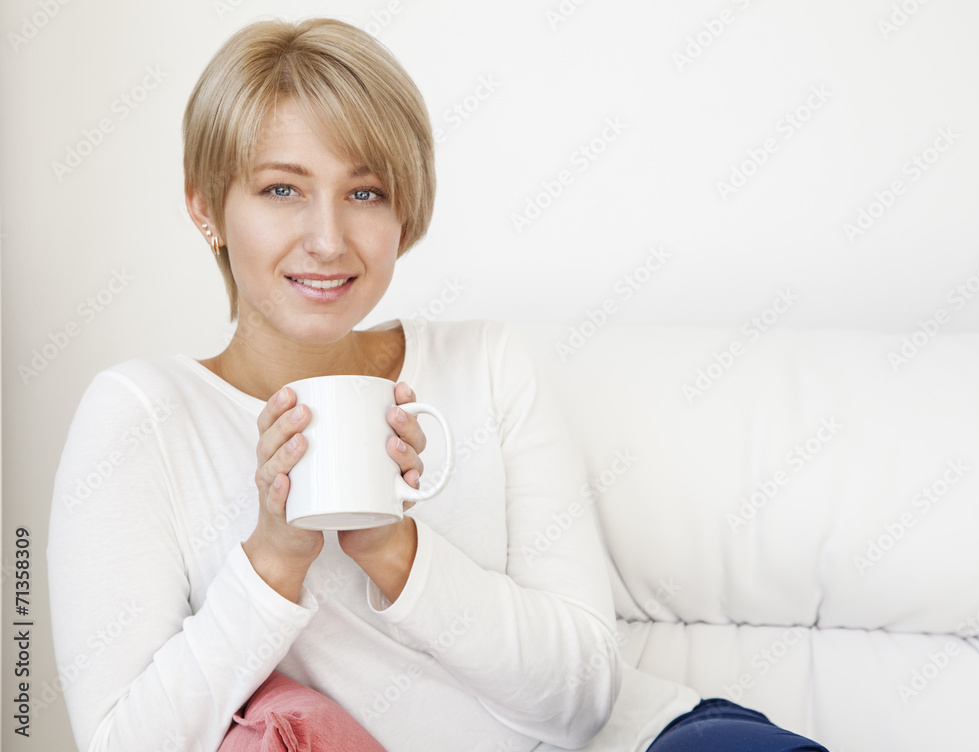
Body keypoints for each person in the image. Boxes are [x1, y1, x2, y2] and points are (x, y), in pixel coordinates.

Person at [47, 17, 830, 752]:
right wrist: (273, 560)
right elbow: (122, 740)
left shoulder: (487, 364)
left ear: (403, 213)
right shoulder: (143, 417)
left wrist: (396, 548)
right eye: (281, 189)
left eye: (365, 192)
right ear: (205, 207)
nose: (328, 239)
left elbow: (589, 696)